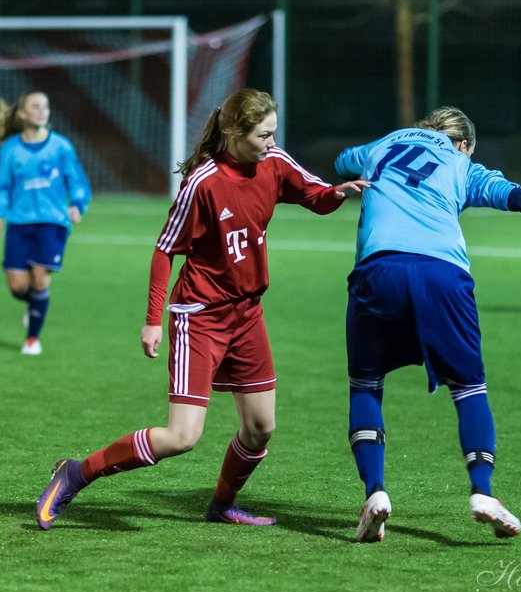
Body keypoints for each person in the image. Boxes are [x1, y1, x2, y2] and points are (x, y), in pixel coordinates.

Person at [33, 88, 368, 530]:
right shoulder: (203, 183)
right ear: (234, 131)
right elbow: (163, 250)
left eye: (273, 133)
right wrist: (153, 320)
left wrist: (340, 193)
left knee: (260, 428)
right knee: (182, 437)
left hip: (247, 315)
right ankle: (76, 473)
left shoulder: (275, 163)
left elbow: (315, 196)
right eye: (263, 134)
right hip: (200, 316)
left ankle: (221, 505)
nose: (271, 142)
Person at [334, 107, 521, 543]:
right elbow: (520, 196)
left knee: (366, 386)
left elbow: (344, 160)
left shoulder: (384, 144)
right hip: (443, 275)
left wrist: (350, 175)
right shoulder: (462, 165)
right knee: (467, 387)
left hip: (377, 271)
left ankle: (375, 493)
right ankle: (481, 492)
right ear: (463, 144)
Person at [0, 91, 91, 355]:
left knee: (40, 278)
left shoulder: (61, 147)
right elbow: (3, 186)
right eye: (35, 106)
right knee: (17, 285)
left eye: (45, 106)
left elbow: (77, 182)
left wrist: (77, 205)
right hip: (20, 223)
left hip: (52, 222)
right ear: (21, 113)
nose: (42, 111)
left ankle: (32, 338)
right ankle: (33, 306)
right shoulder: (10, 149)